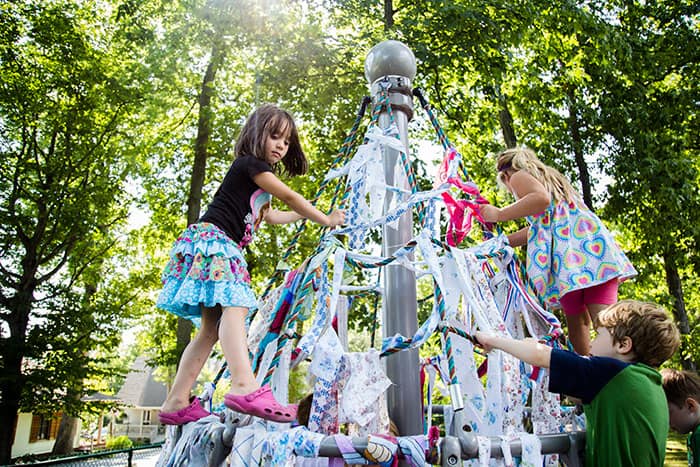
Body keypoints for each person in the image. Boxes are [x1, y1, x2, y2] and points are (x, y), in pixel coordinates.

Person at [156, 104, 345, 425]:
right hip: (216, 242)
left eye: (287, 142)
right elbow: (290, 197)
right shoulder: (249, 164)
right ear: (256, 135)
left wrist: (306, 215)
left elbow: (272, 215)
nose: (281, 146)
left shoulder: (256, 180)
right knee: (236, 306)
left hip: (207, 243)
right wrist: (325, 219)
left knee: (209, 331)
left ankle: (175, 400)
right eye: (275, 137)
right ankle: (244, 385)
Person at [475, 300, 680, 466]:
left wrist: (492, 341)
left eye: (598, 335)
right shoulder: (649, 384)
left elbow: (539, 355)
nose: (590, 344)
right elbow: (577, 395)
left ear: (623, 345)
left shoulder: (613, 373)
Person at [478, 147, 636, 355]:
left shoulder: (516, 176)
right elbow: (538, 229)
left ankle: (586, 365)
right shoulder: (556, 189)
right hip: (593, 252)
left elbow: (540, 198)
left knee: (579, 320)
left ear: (505, 175)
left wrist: (499, 214)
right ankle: (616, 360)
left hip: (566, 260)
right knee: (604, 319)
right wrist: (502, 242)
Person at [661, 368, 700, 467]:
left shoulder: (699, 435)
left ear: (690, 406)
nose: (667, 421)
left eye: (669, 413)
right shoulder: (694, 434)